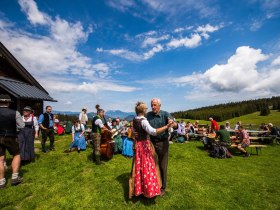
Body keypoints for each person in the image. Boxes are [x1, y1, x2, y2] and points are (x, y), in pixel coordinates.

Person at [129, 101, 172, 199]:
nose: (151, 107)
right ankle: (148, 189)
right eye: (148, 107)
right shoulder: (144, 119)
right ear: (143, 110)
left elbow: (134, 130)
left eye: (154, 105)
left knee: (141, 167)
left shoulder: (135, 119)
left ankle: (142, 188)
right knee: (147, 167)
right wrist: (166, 126)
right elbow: (153, 132)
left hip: (144, 145)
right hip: (145, 145)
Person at [146, 98, 177, 196]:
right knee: (152, 165)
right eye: (152, 105)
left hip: (162, 143)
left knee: (163, 166)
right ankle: (153, 184)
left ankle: (163, 188)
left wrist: (173, 123)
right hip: (151, 143)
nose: (153, 107)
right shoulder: (148, 115)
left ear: (159, 105)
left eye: (155, 105)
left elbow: (176, 126)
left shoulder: (165, 114)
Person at [0, 94, 25, 188]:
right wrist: (14, 130)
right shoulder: (15, 113)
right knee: (16, 154)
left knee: (0, 159)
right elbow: (22, 126)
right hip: (10, 136)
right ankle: (14, 177)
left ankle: (1, 182)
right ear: (8, 103)